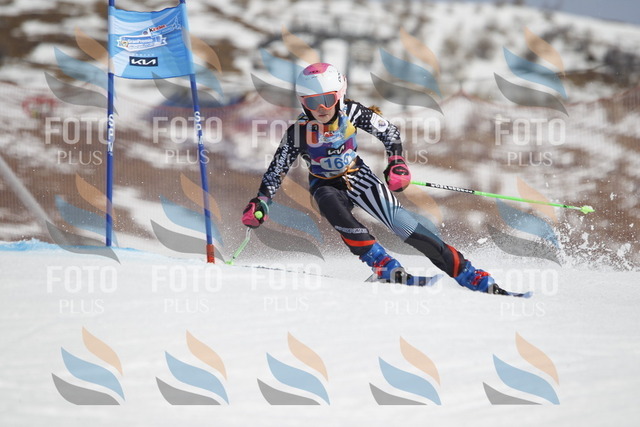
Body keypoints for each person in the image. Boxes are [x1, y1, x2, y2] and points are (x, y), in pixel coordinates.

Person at [242, 62, 510, 294]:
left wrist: (396, 162)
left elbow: (389, 132)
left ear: (340, 95)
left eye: (328, 99)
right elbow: (277, 168)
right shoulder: (298, 132)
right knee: (333, 207)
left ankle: (469, 274)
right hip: (324, 184)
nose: (321, 108)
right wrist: (262, 200)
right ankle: (383, 265)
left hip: (358, 175)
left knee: (407, 227)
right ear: (303, 102)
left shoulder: (353, 112)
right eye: (312, 102)